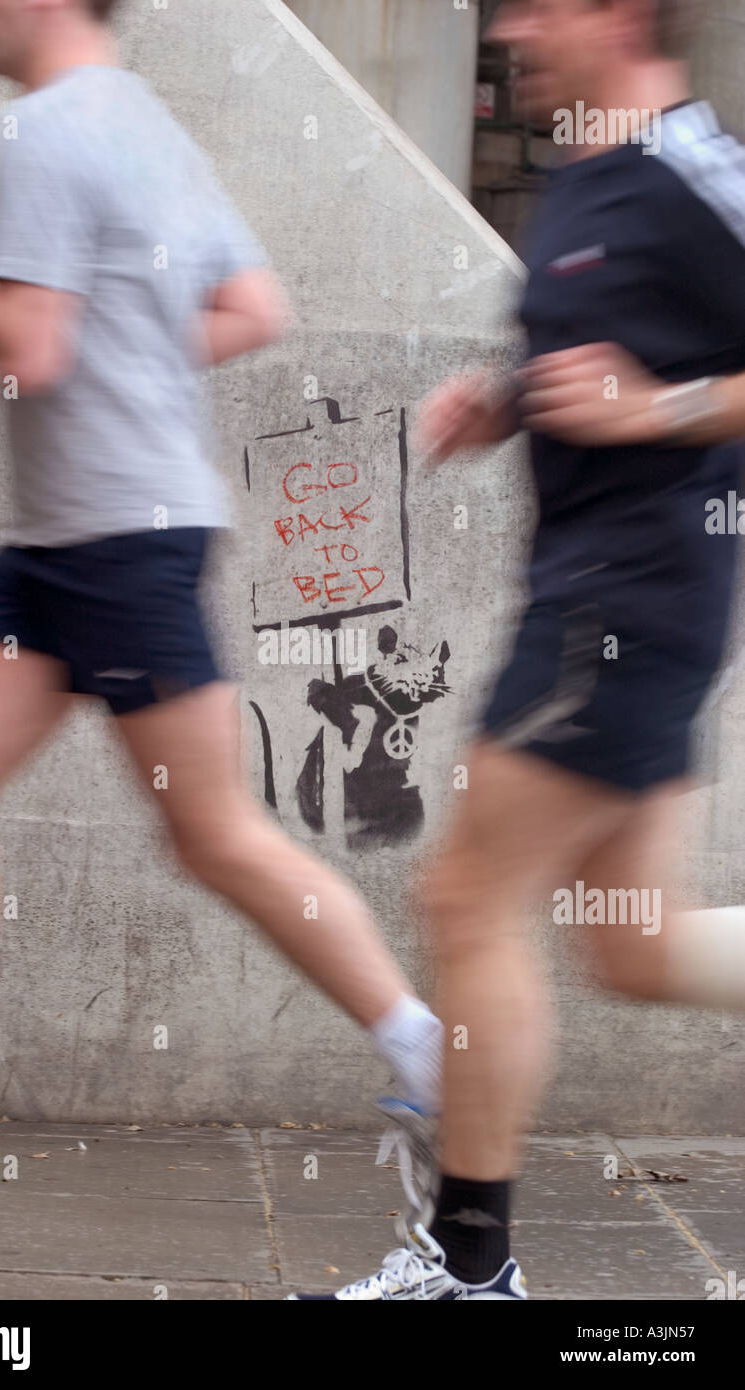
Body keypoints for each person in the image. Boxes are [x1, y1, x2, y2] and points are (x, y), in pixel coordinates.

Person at [0, 0, 442, 1196]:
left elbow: (26, 353)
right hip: (56, 545)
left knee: (213, 834)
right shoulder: (141, 125)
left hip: (119, 543)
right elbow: (251, 309)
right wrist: (127, 356)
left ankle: (419, 1042)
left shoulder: (37, 134)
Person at [288, 0, 745, 1300]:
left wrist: (649, 408)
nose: (508, 31)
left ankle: (469, 1271)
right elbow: (593, 355)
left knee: (462, 899)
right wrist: (503, 400)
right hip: (611, 601)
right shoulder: (591, 169)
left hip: (619, 609)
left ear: (618, 12)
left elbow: (659, 383)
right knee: (635, 944)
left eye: (539, 6)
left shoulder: (686, 169)